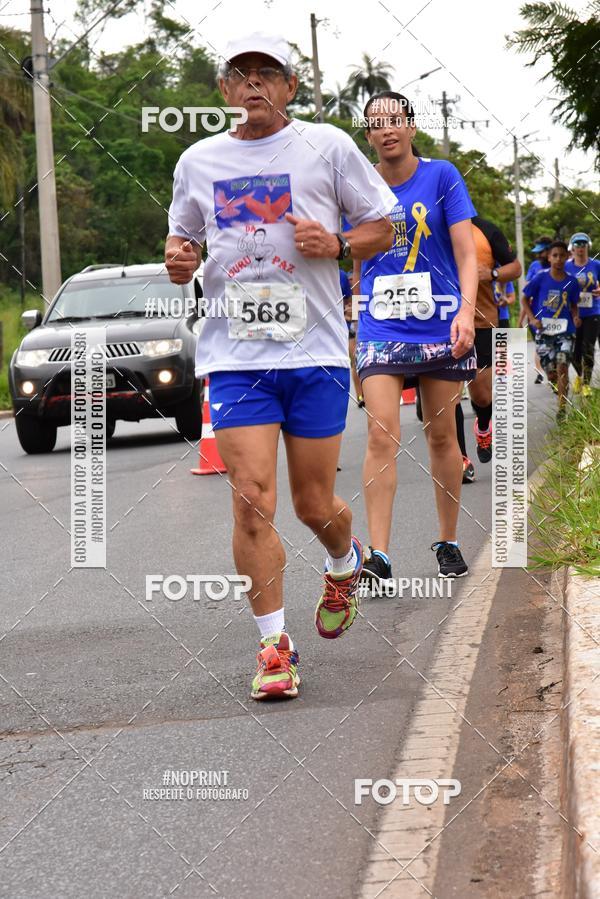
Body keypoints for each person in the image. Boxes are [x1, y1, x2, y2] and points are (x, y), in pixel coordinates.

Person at [165, 32, 397, 700]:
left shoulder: (326, 146)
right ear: (225, 90)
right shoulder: (199, 160)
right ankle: (273, 646)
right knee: (251, 500)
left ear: (291, 86)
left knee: (312, 503)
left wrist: (339, 241)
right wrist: (179, 259)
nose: (254, 84)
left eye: (268, 73)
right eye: (241, 75)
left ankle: (342, 559)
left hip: (316, 351)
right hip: (235, 357)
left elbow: (383, 224)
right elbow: (183, 237)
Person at [352, 91, 478, 582]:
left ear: (410, 127)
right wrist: (356, 328)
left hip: (439, 321)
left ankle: (448, 541)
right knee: (381, 432)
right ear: (369, 136)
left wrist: (466, 312)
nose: (386, 130)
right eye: (375, 124)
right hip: (382, 326)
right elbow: (358, 258)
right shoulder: (360, 186)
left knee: (442, 434)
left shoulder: (442, 176)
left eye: (394, 121)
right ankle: (379, 556)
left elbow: (466, 252)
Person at [467, 216, 522, 465]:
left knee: (480, 394)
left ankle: (484, 424)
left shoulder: (485, 229)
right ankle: (460, 460)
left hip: (481, 322)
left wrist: (492, 273)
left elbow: (515, 268)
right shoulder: (426, 226)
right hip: (437, 322)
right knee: (443, 400)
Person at [522, 240, 582, 421]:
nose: (558, 259)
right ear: (549, 258)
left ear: (567, 257)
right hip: (544, 331)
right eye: (554, 255)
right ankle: (557, 386)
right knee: (552, 372)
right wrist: (532, 319)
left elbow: (573, 304)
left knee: (563, 364)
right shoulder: (540, 277)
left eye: (562, 255)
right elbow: (524, 299)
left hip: (566, 330)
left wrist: (576, 316)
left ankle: (562, 409)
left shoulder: (572, 282)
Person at [565, 232, 600, 396]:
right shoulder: (566, 266)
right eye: (577, 244)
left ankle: (586, 383)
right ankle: (578, 375)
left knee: (588, 348)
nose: (580, 248)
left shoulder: (596, 265)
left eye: (583, 244)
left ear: (588, 246)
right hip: (572, 313)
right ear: (572, 248)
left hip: (592, 311)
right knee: (573, 350)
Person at [520, 236, 552, 383]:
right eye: (537, 252)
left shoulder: (559, 266)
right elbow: (527, 295)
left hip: (555, 314)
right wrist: (522, 318)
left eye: (541, 252)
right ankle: (541, 372)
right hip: (535, 314)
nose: (538, 255)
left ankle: (553, 375)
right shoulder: (534, 266)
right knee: (540, 344)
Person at [340, 266, 364, 405]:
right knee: (355, 359)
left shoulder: (346, 282)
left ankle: (365, 393)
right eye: (349, 280)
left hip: (359, 322)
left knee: (358, 359)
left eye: (351, 279)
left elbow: (350, 302)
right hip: (350, 327)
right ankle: (360, 396)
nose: (350, 281)